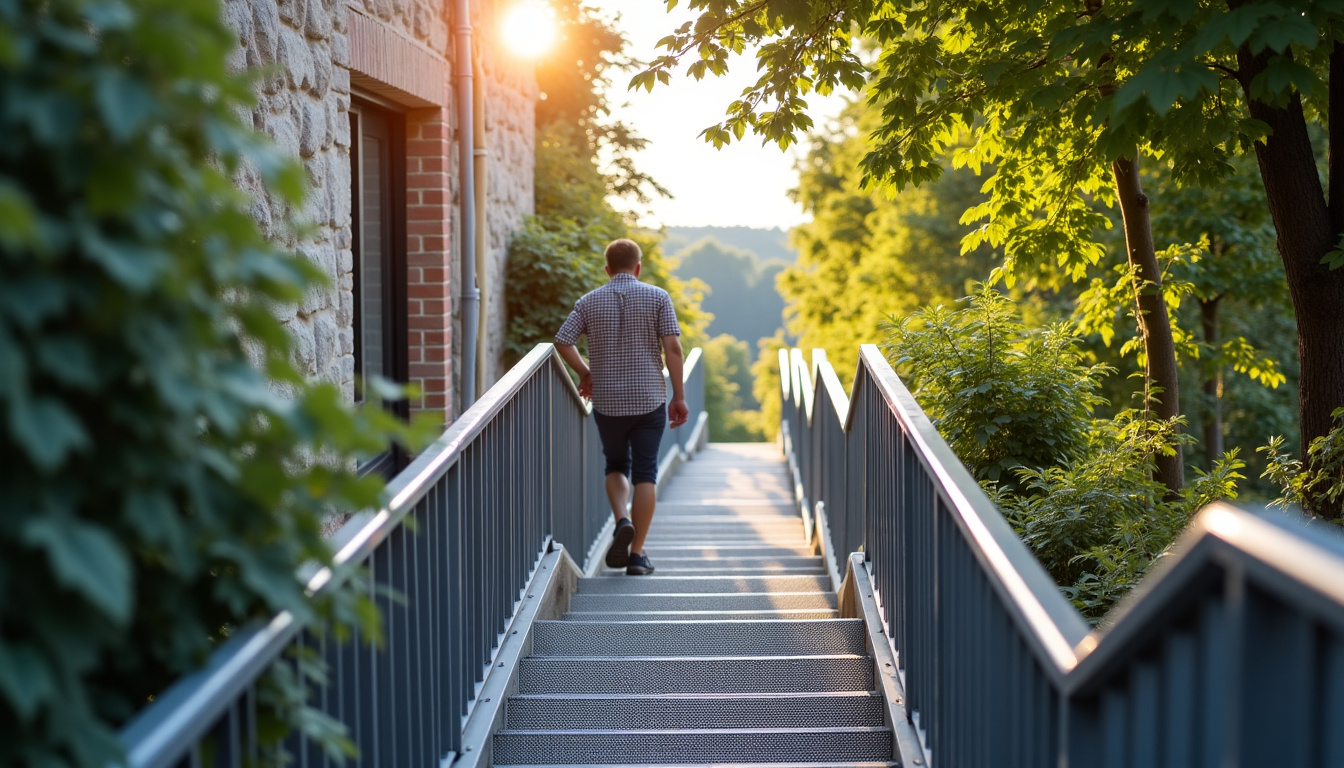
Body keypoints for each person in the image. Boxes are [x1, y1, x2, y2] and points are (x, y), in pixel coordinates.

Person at [555, 238, 689, 575]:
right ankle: (637, 554)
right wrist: (679, 395)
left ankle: (622, 518)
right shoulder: (658, 297)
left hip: (608, 402)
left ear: (607, 268)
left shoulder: (588, 301)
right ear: (638, 267)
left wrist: (586, 372)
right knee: (646, 471)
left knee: (615, 464)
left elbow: (562, 341)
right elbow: (673, 347)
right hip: (648, 399)